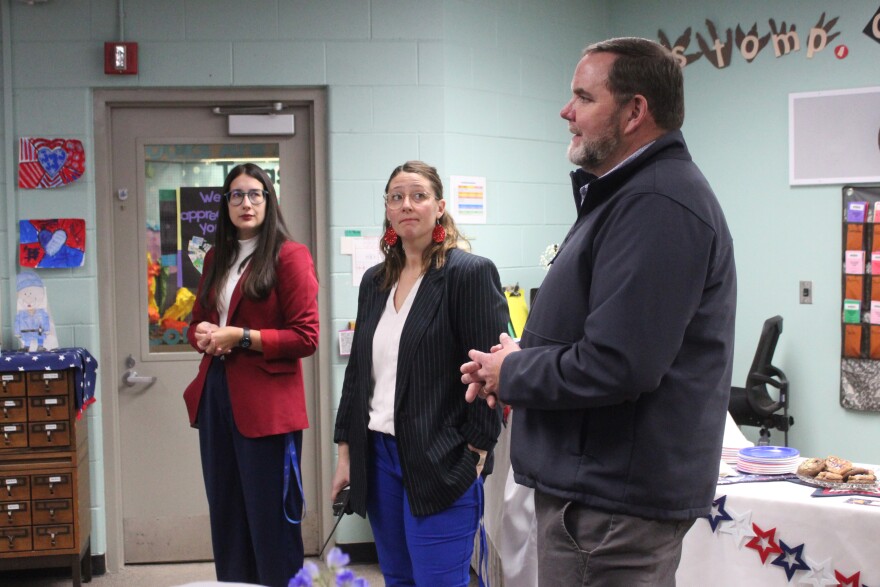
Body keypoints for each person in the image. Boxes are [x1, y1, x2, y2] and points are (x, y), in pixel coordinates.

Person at [461, 37, 737, 586]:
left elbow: (619, 363)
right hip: (598, 493)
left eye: (583, 97)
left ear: (636, 111)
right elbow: (603, 335)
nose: (567, 111)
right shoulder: (627, 195)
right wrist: (520, 356)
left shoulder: (657, 204)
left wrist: (513, 372)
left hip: (611, 506)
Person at [332, 160, 509, 586]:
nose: (406, 204)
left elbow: (489, 373)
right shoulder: (375, 282)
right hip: (378, 456)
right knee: (397, 577)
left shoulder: (468, 274)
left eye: (418, 195)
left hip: (442, 456)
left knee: (439, 581)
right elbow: (357, 373)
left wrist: (477, 452)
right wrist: (346, 454)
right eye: (396, 197)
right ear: (388, 211)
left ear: (440, 207)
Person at [183, 163, 319, 587]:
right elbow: (197, 322)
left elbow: (306, 336)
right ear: (226, 205)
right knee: (227, 519)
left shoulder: (289, 255)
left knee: (271, 526)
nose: (246, 203)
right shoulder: (215, 257)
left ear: (269, 200)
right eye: (237, 195)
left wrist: (242, 337)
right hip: (217, 395)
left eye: (255, 194)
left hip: (267, 408)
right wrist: (202, 333)